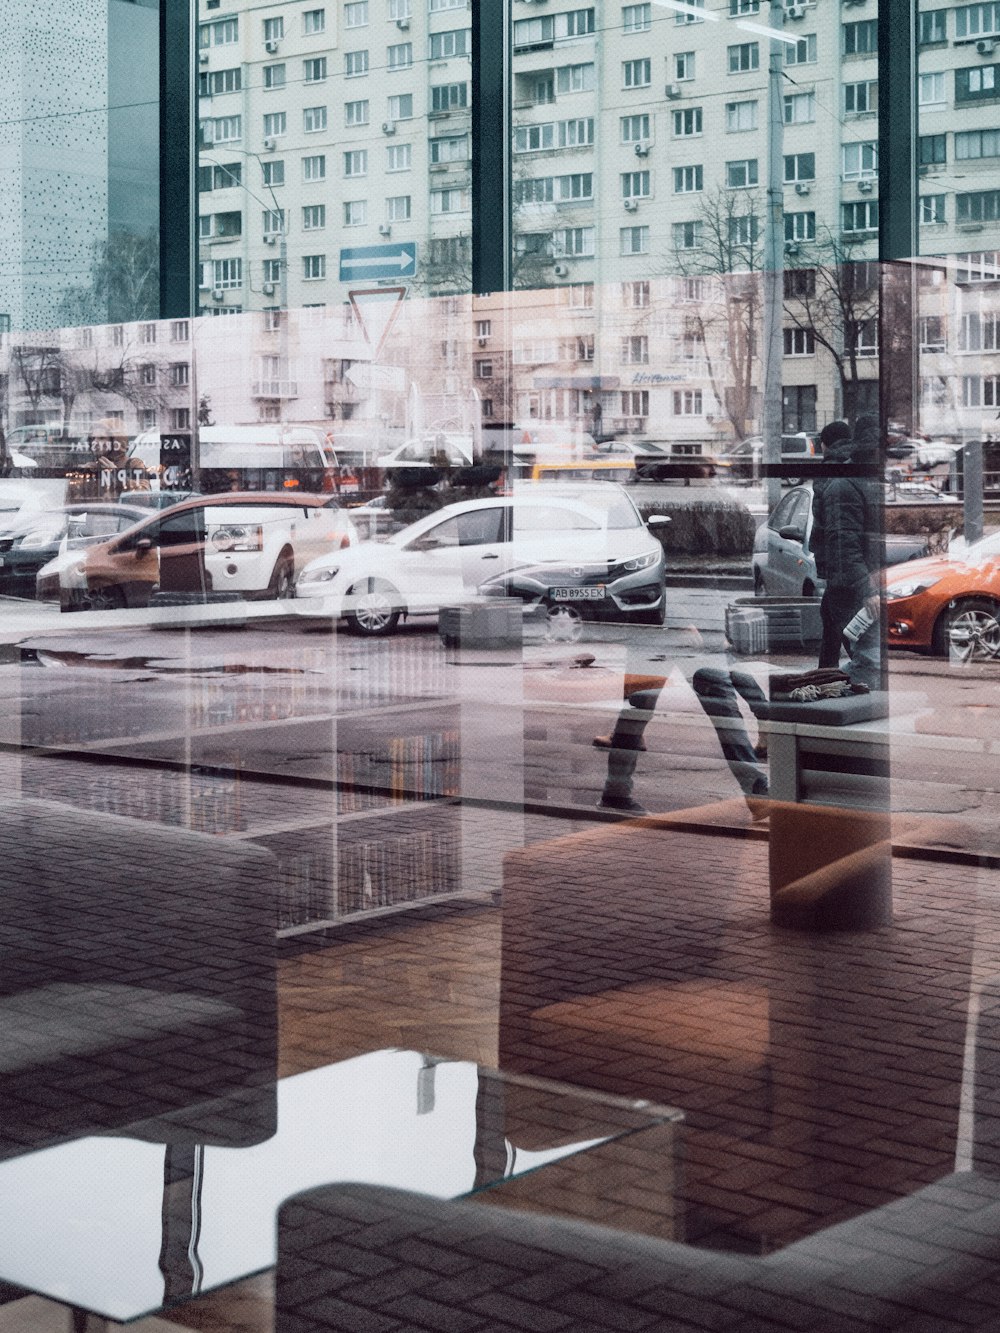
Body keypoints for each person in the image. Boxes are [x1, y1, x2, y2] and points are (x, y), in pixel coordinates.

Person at [811, 415, 882, 689]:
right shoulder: (847, 483)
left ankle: (821, 685)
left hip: (848, 576)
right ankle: (827, 690)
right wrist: (868, 589)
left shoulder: (855, 478)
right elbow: (844, 542)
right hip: (854, 581)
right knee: (867, 660)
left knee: (835, 632)